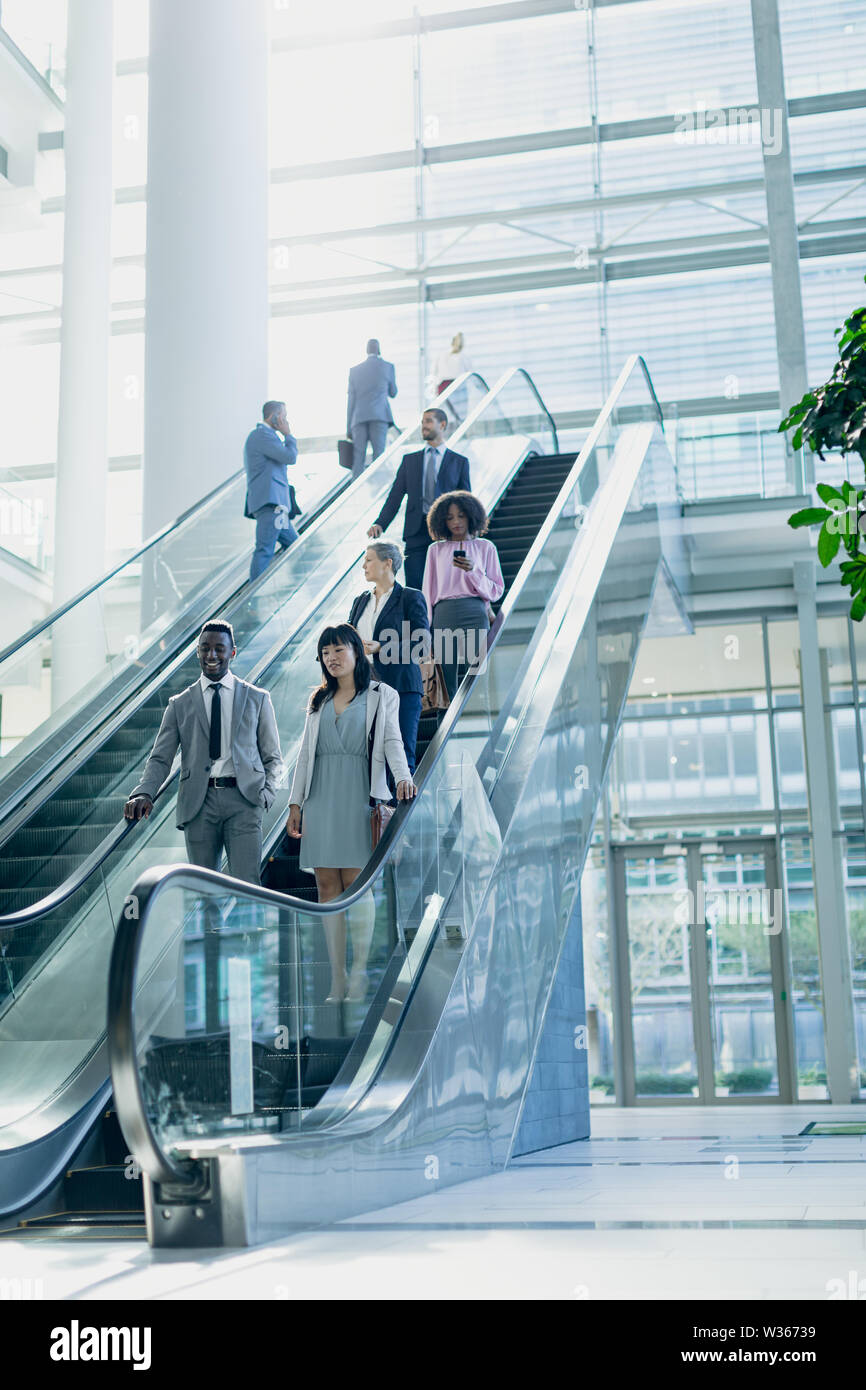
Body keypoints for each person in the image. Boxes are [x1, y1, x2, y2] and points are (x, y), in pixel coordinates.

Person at [287, 624, 416, 1003]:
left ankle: (359, 972)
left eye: (339, 649)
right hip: (321, 798)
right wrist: (295, 804)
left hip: (360, 794)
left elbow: (392, 738)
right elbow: (306, 755)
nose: (332, 657)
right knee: (326, 887)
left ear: (357, 652)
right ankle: (338, 977)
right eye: (325, 651)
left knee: (357, 887)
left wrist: (403, 778)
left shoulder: (381, 695)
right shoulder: (318, 701)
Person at [124, 620, 283, 885]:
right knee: (205, 891)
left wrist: (266, 795)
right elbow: (161, 758)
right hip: (199, 804)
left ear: (232, 652)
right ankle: (211, 930)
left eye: (219, 648)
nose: (211, 655)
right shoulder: (179, 704)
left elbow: (273, 758)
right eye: (205, 648)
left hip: (245, 801)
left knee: (248, 884)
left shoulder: (257, 698)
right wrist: (144, 792)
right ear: (197, 651)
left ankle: (247, 930)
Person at [347, 541, 430, 774]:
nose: (363, 565)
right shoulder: (360, 601)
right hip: (364, 688)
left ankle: (401, 809)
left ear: (387, 563)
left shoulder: (410, 598)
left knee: (402, 754)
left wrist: (381, 647)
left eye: (369, 559)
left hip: (400, 686)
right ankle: (379, 809)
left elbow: (422, 644)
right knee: (370, 757)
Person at [367, 407, 470, 590]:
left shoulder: (459, 462)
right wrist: (380, 523)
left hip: (446, 533)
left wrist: (468, 531)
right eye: (423, 422)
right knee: (415, 588)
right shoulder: (410, 461)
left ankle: (441, 619)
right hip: (416, 533)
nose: (424, 426)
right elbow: (395, 497)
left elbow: (465, 501)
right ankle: (413, 621)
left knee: (446, 585)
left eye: (429, 421)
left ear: (443, 424)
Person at [422, 491, 504, 701]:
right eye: (449, 518)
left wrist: (473, 570)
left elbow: (495, 591)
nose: (456, 522)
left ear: (471, 516)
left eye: (461, 515)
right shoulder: (435, 550)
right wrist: (425, 630)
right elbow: (428, 592)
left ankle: (483, 723)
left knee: (477, 675)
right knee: (443, 678)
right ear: (442, 521)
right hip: (443, 613)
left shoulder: (486, 547)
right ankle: (445, 729)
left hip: (474, 611)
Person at [243, 401, 301, 582]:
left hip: (276, 505)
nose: (286, 420)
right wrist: (288, 435)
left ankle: (300, 586)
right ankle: (252, 602)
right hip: (271, 503)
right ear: (274, 416)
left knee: (296, 546)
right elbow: (289, 457)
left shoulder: (264, 436)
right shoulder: (262, 435)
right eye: (283, 415)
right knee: (265, 550)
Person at [346, 339, 398, 479]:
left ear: (366, 350)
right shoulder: (387, 367)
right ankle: (377, 484)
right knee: (379, 455)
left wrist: (348, 427)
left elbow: (351, 401)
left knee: (358, 457)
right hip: (379, 416)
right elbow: (393, 392)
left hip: (358, 418)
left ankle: (355, 490)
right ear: (378, 349)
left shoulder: (355, 370)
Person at [433, 331, 472, 396]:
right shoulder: (463, 357)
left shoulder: (441, 355)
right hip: (458, 387)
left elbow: (434, 372)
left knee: (443, 406)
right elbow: (470, 374)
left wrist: (434, 389)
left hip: (443, 386)